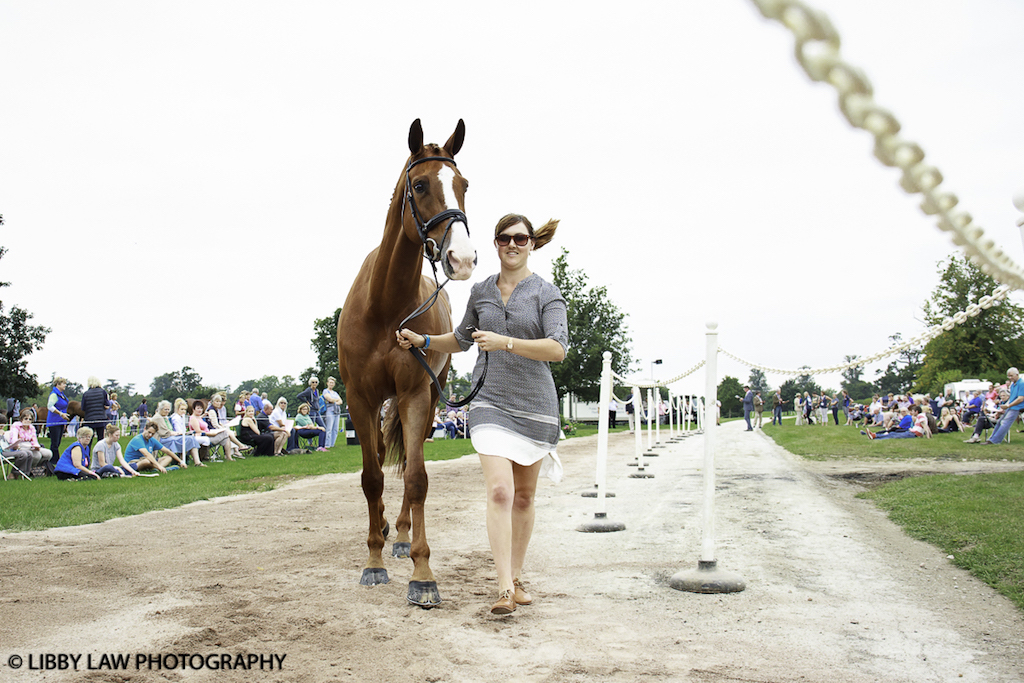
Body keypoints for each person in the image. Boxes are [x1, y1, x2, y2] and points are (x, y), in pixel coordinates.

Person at [397, 212, 567, 615]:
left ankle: (518, 576)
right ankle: (505, 587)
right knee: (500, 491)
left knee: (524, 498)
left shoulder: (547, 294)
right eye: (504, 238)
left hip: (536, 406)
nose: (512, 244)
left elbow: (557, 349)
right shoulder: (481, 291)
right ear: (494, 243)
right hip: (490, 402)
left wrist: (506, 342)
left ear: (532, 244)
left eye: (521, 239)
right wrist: (422, 339)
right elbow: (461, 339)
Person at [54, 426, 122, 480]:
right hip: (65, 471)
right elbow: (77, 465)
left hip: (73, 470)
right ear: (79, 438)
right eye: (85, 437)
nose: (87, 439)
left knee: (93, 476)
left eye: (89, 437)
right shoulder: (77, 447)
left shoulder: (86, 448)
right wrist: (91, 473)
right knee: (92, 477)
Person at [151, 400, 204, 466]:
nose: (167, 411)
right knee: (187, 439)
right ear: (160, 409)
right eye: (165, 409)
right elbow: (164, 433)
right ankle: (183, 460)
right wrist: (178, 433)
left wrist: (180, 433)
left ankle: (196, 462)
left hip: (169, 436)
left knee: (191, 438)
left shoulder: (165, 417)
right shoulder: (158, 417)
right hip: (161, 439)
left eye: (168, 409)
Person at [983, 367, 1024, 445]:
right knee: (1000, 422)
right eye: (1008, 376)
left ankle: (995, 441)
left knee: (1005, 422)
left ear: (1017, 374)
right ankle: (991, 439)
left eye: (1011, 376)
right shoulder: (1013, 385)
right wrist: (1005, 405)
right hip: (1011, 406)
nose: (1010, 378)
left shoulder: (1022, 384)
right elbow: (1012, 397)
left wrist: (1008, 405)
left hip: (1017, 407)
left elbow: (1020, 399)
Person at [44, 377, 72, 474]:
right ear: (58, 384)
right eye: (63, 383)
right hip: (54, 421)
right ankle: (54, 461)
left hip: (61, 422)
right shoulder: (54, 395)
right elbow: (50, 406)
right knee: (54, 443)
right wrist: (60, 414)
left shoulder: (62, 395)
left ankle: (54, 461)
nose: (65, 385)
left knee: (58, 442)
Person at [865, 404, 930, 440]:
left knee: (893, 435)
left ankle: (875, 436)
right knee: (892, 434)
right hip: (912, 432)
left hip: (913, 433)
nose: (911, 412)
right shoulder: (921, 416)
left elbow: (925, 426)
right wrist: (929, 435)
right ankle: (874, 436)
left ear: (916, 411)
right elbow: (926, 427)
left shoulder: (920, 416)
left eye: (912, 411)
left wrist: (928, 437)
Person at [80, 376, 111, 446]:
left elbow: (83, 408)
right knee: (101, 439)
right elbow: (107, 405)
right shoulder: (103, 392)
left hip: (89, 419)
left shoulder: (86, 393)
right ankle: (100, 455)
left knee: (88, 439)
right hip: (100, 419)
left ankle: (86, 455)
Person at [1, 415, 34, 479]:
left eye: (4, 425)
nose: (2, 426)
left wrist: (14, 446)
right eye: (1, 425)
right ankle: (13, 473)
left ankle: (25, 473)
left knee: (29, 453)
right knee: (22, 454)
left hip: (8, 450)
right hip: (2, 452)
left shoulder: (4, 432)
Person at [322, 377, 344, 448]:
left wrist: (336, 401)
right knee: (329, 428)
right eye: (330, 382)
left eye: (333, 383)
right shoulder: (325, 391)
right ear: (327, 383)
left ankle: (332, 444)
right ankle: (327, 444)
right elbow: (329, 399)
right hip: (330, 411)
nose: (331, 384)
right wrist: (336, 400)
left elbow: (341, 401)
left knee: (335, 428)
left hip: (337, 411)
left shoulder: (335, 393)